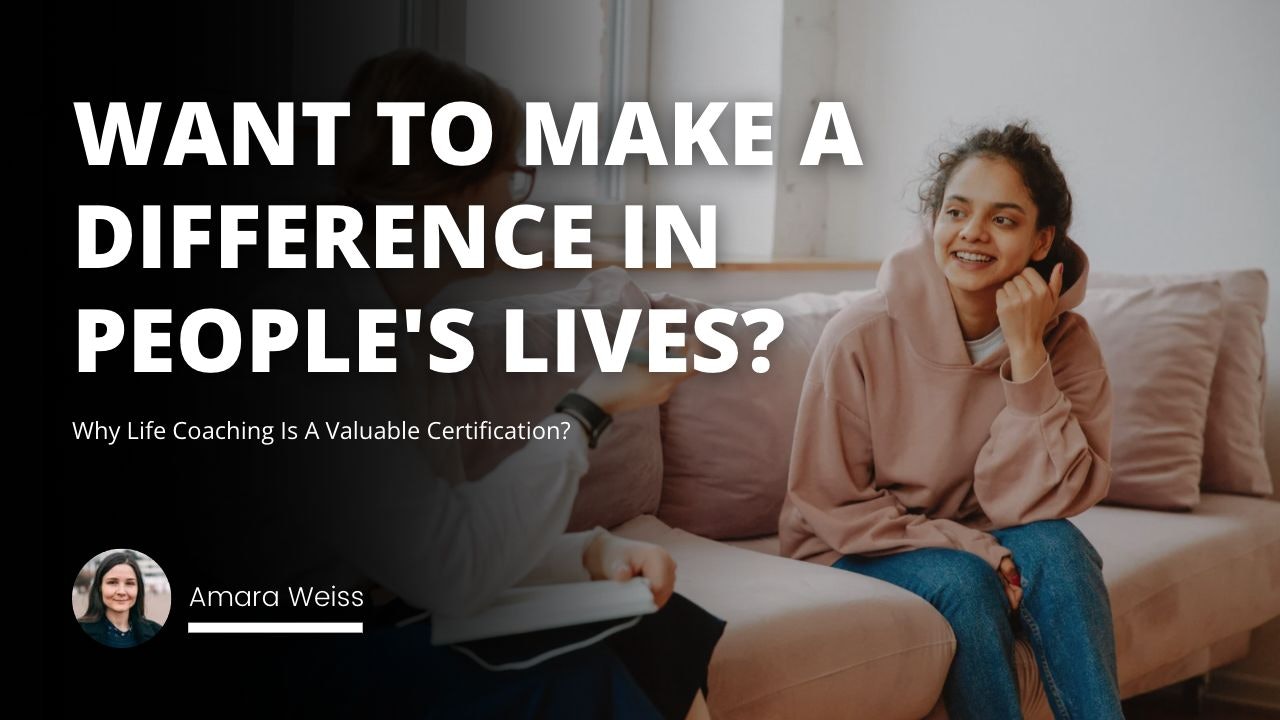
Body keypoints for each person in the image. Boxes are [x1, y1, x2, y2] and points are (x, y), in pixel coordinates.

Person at [278, 49, 722, 719]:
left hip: (394, 609)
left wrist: (594, 553)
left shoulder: (408, 331)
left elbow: (445, 537)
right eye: (510, 178)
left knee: (658, 623)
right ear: (440, 188)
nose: (514, 204)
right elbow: (450, 569)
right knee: (582, 673)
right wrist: (588, 406)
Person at [780, 123, 1122, 719]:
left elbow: (1052, 500)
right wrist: (974, 547)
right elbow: (829, 501)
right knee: (966, 582)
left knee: (1061, 549)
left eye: (1004, 220)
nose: (971, 233)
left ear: (1043, 241)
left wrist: (1027, 358)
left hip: (986, 533)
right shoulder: (858, 336)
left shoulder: (1067, 344)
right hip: (853, 543)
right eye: (956, 211)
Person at [78, 552, 163, 648]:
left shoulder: (156, 630)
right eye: (112, 582)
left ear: (138, 589)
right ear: (99, 587)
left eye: (129, 583)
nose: (121, 591)